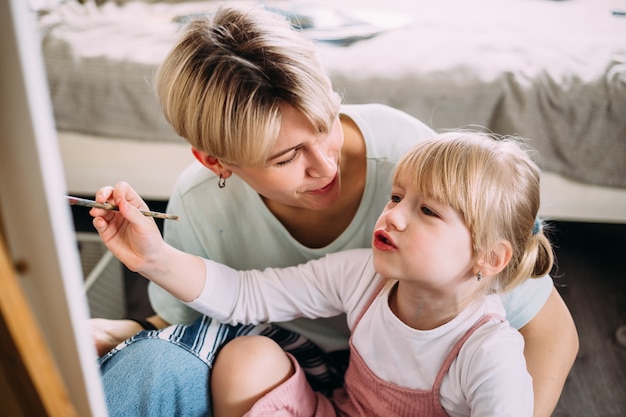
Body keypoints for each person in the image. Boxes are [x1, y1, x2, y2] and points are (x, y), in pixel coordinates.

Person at [90, 5, 578, 417]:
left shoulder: (420, 168)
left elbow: (549, 333)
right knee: (201, 362)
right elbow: (229, 302)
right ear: (215, 161)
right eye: (286, 158)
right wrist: (149, 267)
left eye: (327, 125)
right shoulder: (359, 274)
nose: (326, 166)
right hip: (311, 370)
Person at [92, 132, 553, 416]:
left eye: (427, 211)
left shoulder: (489, 351)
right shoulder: (365, 277)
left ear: (489, 258)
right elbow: (247, 295)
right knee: (248, 356)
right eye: (396, 197)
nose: (391, 216)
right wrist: (153, 258)